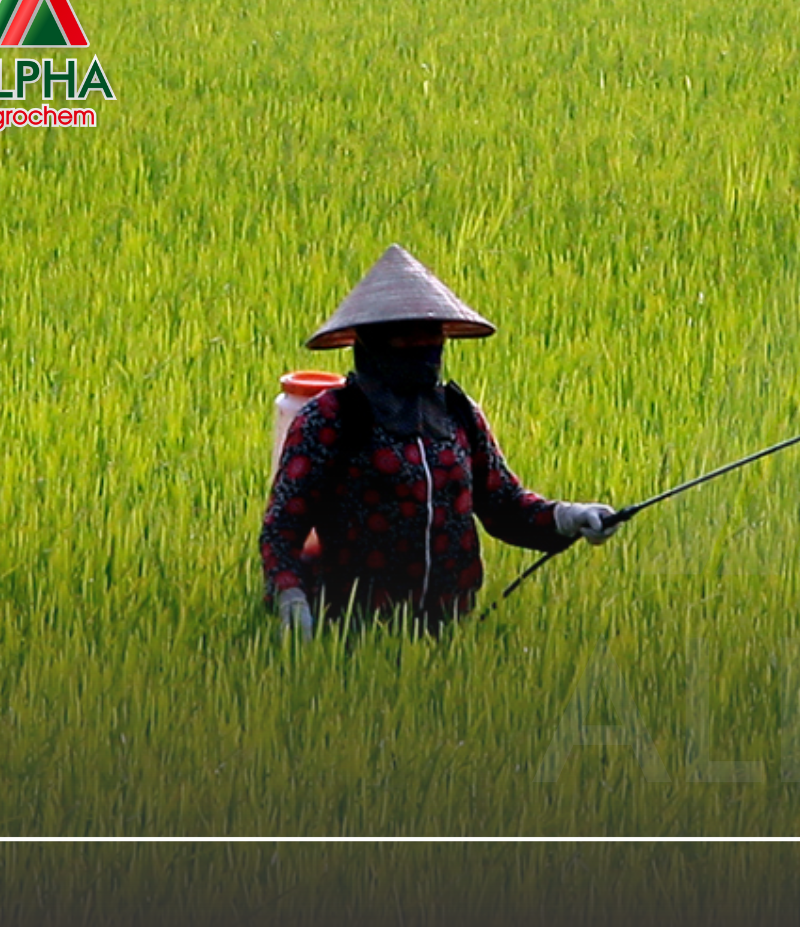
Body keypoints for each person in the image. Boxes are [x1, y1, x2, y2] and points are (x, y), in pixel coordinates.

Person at [259, 244, 617, 636]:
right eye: (404, 336)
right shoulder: (331, 418)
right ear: (370, 341)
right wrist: (291, 600)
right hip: (353, 634)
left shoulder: (458, 414)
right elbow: (282, 529)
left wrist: (569, 518)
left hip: (448, 635)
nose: (422, 347)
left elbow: (503, 505)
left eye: (430, 334)